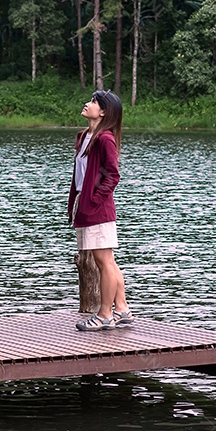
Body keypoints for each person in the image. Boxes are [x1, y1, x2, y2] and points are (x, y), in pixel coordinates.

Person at [68, 90, 134, 331]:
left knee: (103, 261)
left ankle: (105, 314)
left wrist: (94, 199)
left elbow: (113, 175)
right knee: (106, 260)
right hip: (87, 206)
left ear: (104, 112)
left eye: (93, 102)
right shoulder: (86, 136)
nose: (87, 104)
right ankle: (123, 308)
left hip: (98, 208)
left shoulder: (104, 138)